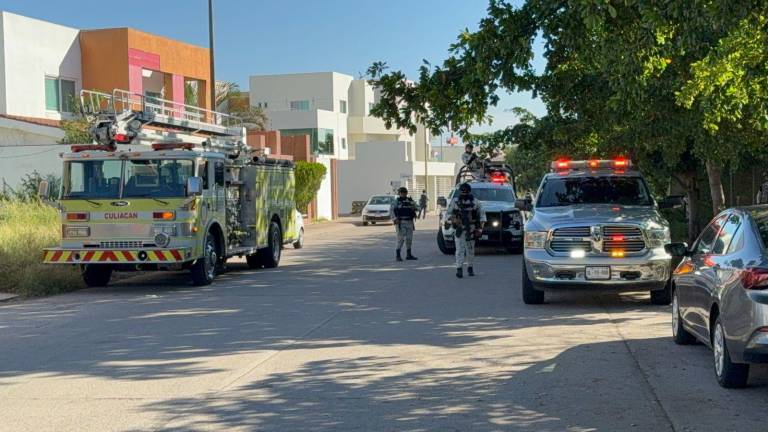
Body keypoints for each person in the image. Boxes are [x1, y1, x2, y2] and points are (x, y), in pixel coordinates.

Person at [446, 182, 486, 278]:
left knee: (470, 250)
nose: (464, 194)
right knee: (459, 250)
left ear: (469, 192)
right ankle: (459, 269)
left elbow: (482, 216)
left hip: (472, 229)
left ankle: (470, 267)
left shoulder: (476, 202)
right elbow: (448, 214)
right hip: (460, 228)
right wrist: (454, 220)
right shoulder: (455, 202)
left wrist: (480, 229)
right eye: (462, 192)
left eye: (466, 192)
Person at [392, 186, 418, 261]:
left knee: (409, 239)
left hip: (409, 222)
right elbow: (392, 211)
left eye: (405, 192)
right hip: (401, 222)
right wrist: (394, 219)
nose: (403, 194)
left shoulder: (410, 201)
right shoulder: (396, 201)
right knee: (400, 239)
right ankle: (398, 255)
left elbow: (417, 207)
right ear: (399, 193)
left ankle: (408, 255)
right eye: (402, 193)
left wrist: (414, 207)